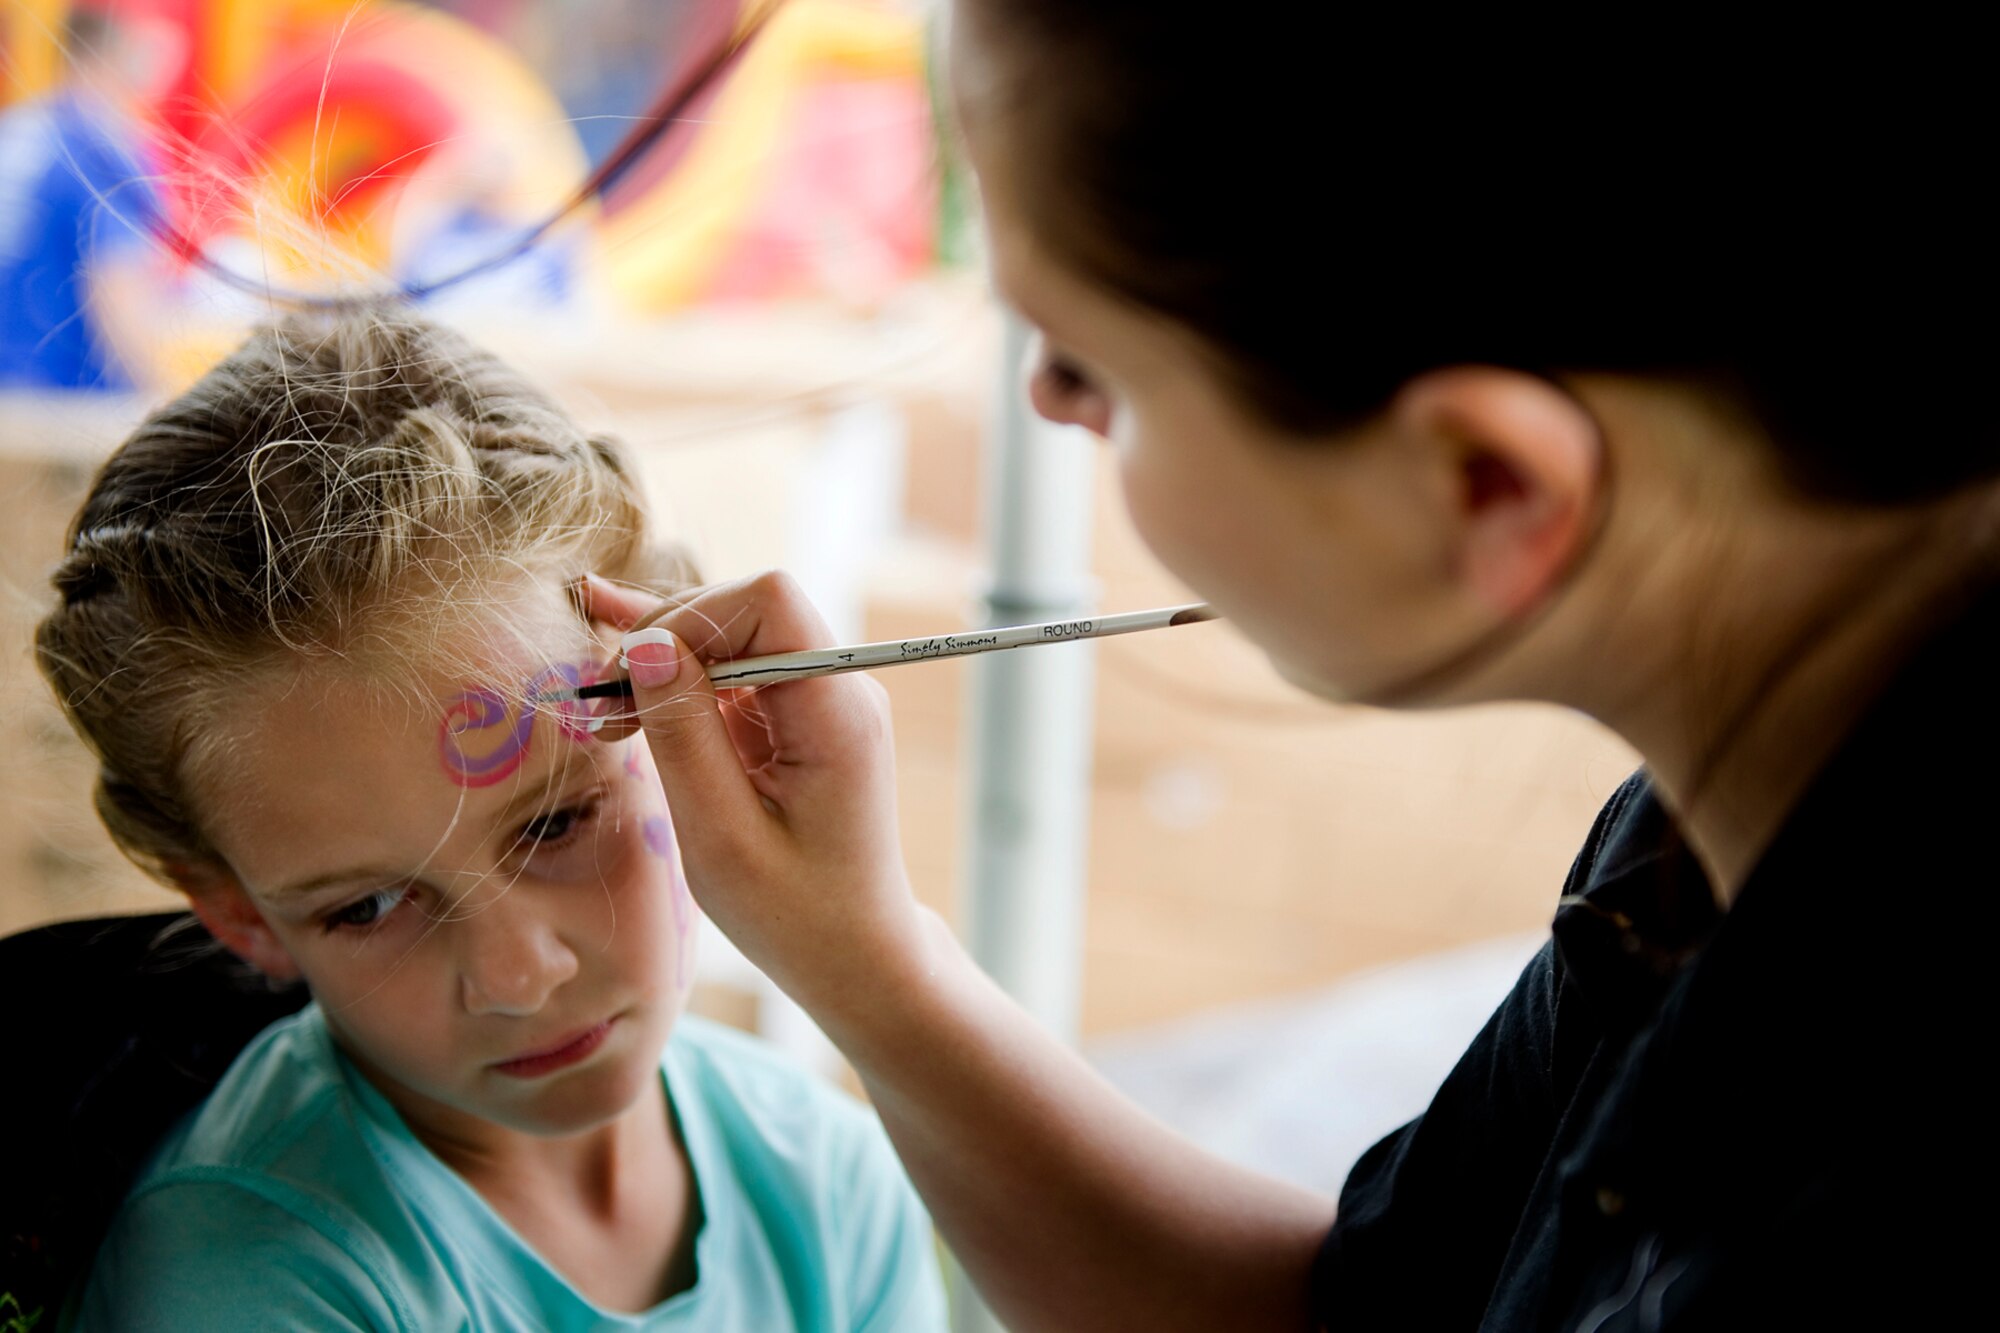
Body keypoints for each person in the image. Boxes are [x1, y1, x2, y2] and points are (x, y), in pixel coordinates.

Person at [583, 7, 1996, 1331]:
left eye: (1089, 363)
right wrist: (860, 954)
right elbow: (1370, 1309)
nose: (1047, 406)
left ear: (1489, 483)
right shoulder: (1708, 835)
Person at [36, 314, 946, 1331]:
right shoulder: (249, 1280)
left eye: (555, 824)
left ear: (705, 708)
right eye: (369, 903)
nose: (519, 975)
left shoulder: (826, 1174)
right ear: (238, 910)